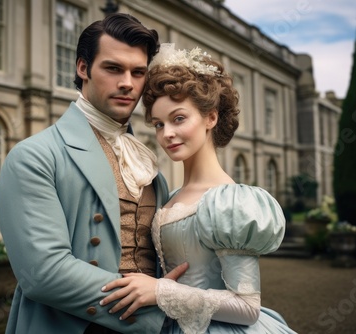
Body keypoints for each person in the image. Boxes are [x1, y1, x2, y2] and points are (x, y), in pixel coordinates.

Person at [0, 15, 187, 334]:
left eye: (138, 72)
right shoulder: (34, 156)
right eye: (113, 68)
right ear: (82, 68)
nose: (128, 82)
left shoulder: (147, 163)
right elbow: (44, 274)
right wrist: (161, 317)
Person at [99, 43, 298, 333]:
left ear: (211, 117)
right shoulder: (169, 195)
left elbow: (247, 308)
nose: (167, 133)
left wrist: (162, 293)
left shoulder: (231, 201)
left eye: (179, 118)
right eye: (158, 124)